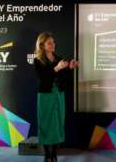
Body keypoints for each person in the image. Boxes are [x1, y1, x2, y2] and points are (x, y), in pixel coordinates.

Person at [33, 32, 79, 162]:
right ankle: (47, 155)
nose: (53, 45)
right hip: (45, 96)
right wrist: (56, 69)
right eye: (49, 43)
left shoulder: (59, 58)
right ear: (42, 45)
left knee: (57, 123)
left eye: (53, 42)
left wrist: (69, 68)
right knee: (46, 123)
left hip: (58, 94)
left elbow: (65, 80)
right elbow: (44, 79)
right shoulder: (37, 60)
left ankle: (54, 154)